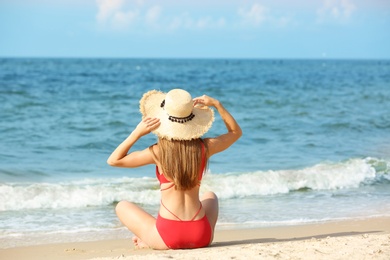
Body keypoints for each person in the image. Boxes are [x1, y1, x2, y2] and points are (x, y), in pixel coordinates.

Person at [107, 89, 242, 250]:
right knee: (210, 195)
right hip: (201, 236)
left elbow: (114, 160)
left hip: (168, 237)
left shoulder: (158, 152)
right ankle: (152, 238)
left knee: (122, 205)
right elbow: (235, 132)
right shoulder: (204, 148)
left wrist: (137, 133)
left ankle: (151, 239)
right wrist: (217, 105)